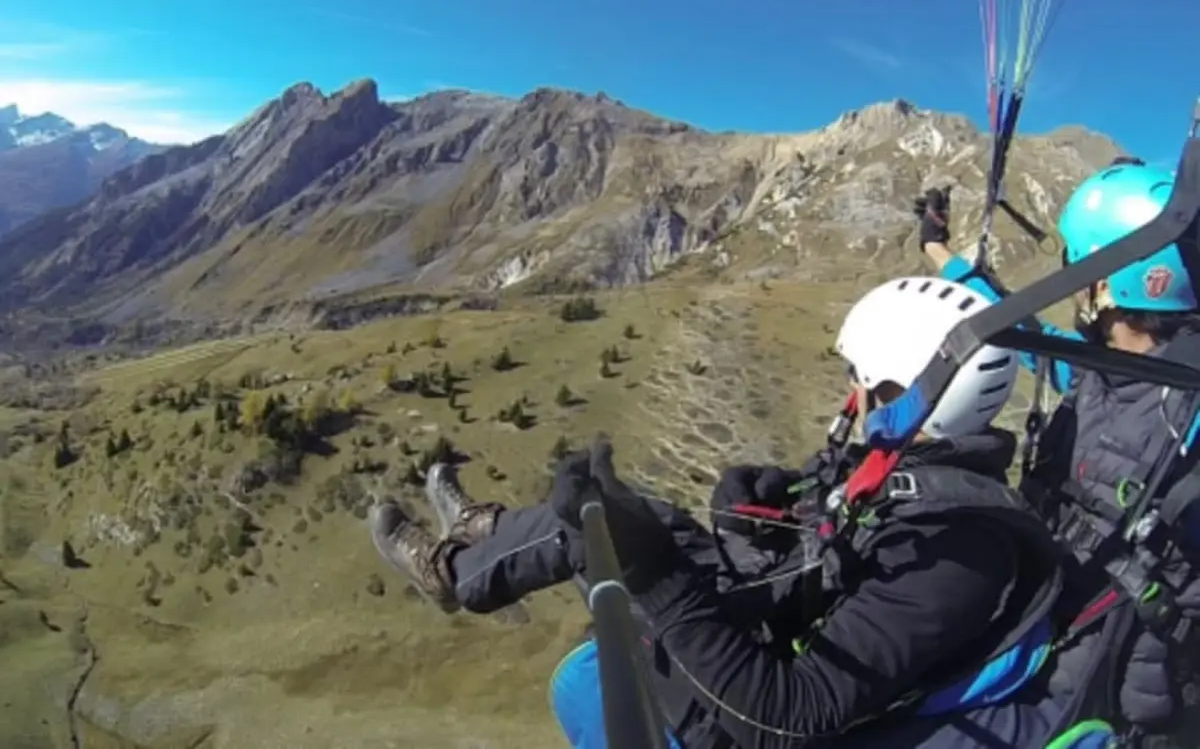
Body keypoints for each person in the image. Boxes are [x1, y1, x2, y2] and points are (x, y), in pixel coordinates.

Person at [370, 276, 1069, 748]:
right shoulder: (917, 471)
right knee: (622, 512)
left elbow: (788, 716)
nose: (851, 398)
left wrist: (661, 583)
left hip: (756, 715)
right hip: (778, 635)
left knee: (606, 534)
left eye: (862, 383)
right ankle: (468, 551)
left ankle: (458, 569)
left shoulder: (958, 553)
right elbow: (836, 546)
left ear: (907, 391)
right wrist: (750, 515)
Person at [913, 159, 1200, 744]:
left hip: (1105, 707)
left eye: (1078, 265)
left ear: (1104, 283)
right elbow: (1007, 321)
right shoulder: (1100, 372)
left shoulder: (1185, 414)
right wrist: (936, 250)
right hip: (1042, 640)